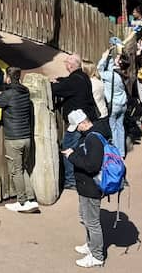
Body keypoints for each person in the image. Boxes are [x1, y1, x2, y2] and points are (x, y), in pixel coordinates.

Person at [0, 66, 39, 213]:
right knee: (22, 169)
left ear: (8, 78)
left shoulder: (9, 94)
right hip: (26, 137)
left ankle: (22, 202)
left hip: (14, 139)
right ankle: (30, 199)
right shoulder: (25, 92)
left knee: (16, 171)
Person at [62, 110, 107, 268]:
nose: (77, 130)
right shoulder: (89, 135)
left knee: (92, 222)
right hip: (85, 185)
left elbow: (92, 165)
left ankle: (97, 256)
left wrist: (72, 157)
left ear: (83, 123)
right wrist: (74, 152)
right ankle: (90, 245)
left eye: (77, 126)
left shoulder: (92, 139)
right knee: (86, 217)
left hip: (91, 186)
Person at [50, 54, 98, 189]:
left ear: (70, 65)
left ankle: (71, 180)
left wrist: (52, 84)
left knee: (68, 148)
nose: (65, 64)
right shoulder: (82, 76)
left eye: (66, 62)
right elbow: (67, 82)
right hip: (86, 119)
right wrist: (60, 80)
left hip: (78, 123)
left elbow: (56, 89)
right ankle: (78, 177)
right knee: (79, 148)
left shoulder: (74, 81)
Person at [97, 48, 130, 156]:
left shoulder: (111, 76)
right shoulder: (123, 74)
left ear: (120, 62)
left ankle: (115, 153)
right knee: (121, 127)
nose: (116, 57)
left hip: (114, 105)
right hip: (123, 104)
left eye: (118, 57)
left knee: (113, 129)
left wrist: (103, 57)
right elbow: (112, 68)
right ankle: (121, 152)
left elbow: (99, 70)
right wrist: (110, 56)